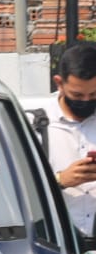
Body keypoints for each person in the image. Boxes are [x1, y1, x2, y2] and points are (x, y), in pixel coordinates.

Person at [39, 43, 96, 239]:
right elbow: (17, 189)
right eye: (77, 95)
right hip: (53, 241)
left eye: (94, 94)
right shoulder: (35, 124)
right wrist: (60, 181)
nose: (86, 101)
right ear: (59, 83)